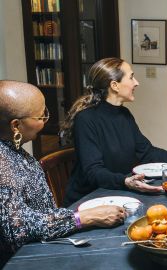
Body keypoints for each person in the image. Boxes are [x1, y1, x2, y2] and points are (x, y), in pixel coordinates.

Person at [0, 80, 125, 266]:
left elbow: (42, 212)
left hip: (44, 244)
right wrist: (83, 217)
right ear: (15, 126)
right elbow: (19, 228)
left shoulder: (14, 150)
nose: (46, 120)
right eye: (41, 117)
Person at [61, 58, 167, 206]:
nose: (136, 82)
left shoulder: (124, 114)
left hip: (116, 193)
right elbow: (93, 172)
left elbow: (147, 152)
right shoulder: (85, 119)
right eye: (131, 77)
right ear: (114, 85)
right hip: (88, 201)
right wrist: (125, 181)